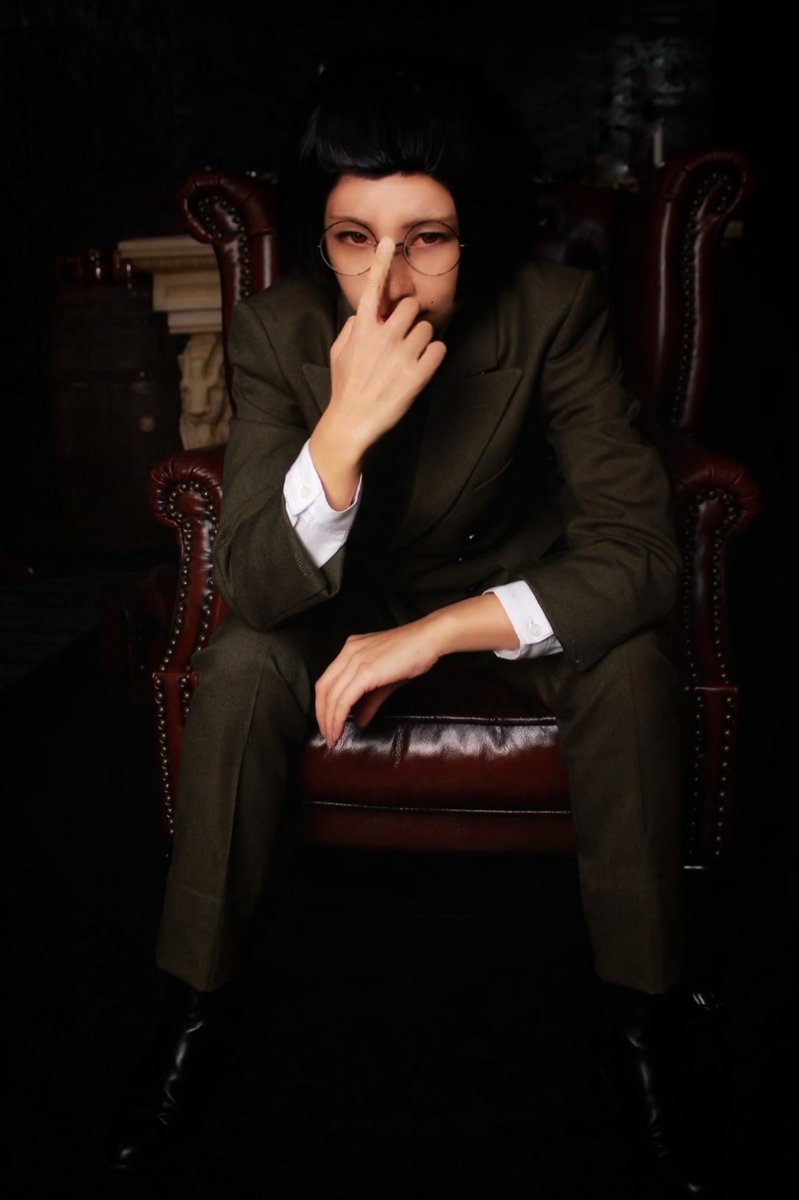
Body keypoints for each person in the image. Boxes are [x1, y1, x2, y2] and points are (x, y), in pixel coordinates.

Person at [107, 54, 708, 1196]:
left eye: (424, 238)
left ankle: (647, 1025)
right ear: (320, 237)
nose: (383, 281)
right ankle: (192, 1016)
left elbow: (639, 554)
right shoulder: (278, 330)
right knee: (239, 663)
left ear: (473, 231)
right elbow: (256, 585)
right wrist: (339, 435)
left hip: (499, 595)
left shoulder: (553, 313)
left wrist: (437, 635)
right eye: (353, 239)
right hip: (338, 600)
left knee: (630, 667)